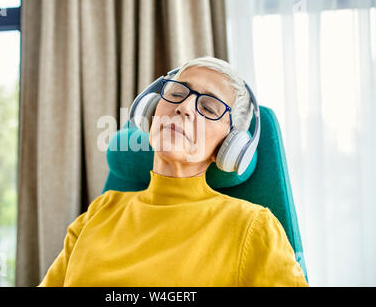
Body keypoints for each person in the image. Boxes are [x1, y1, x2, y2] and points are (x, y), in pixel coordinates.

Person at [38, 56, 309, 287]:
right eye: (177, 93)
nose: (185, 107)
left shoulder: (253, 227)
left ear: (228, 145)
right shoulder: (99, 213)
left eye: (209, 107)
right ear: (152, 111)